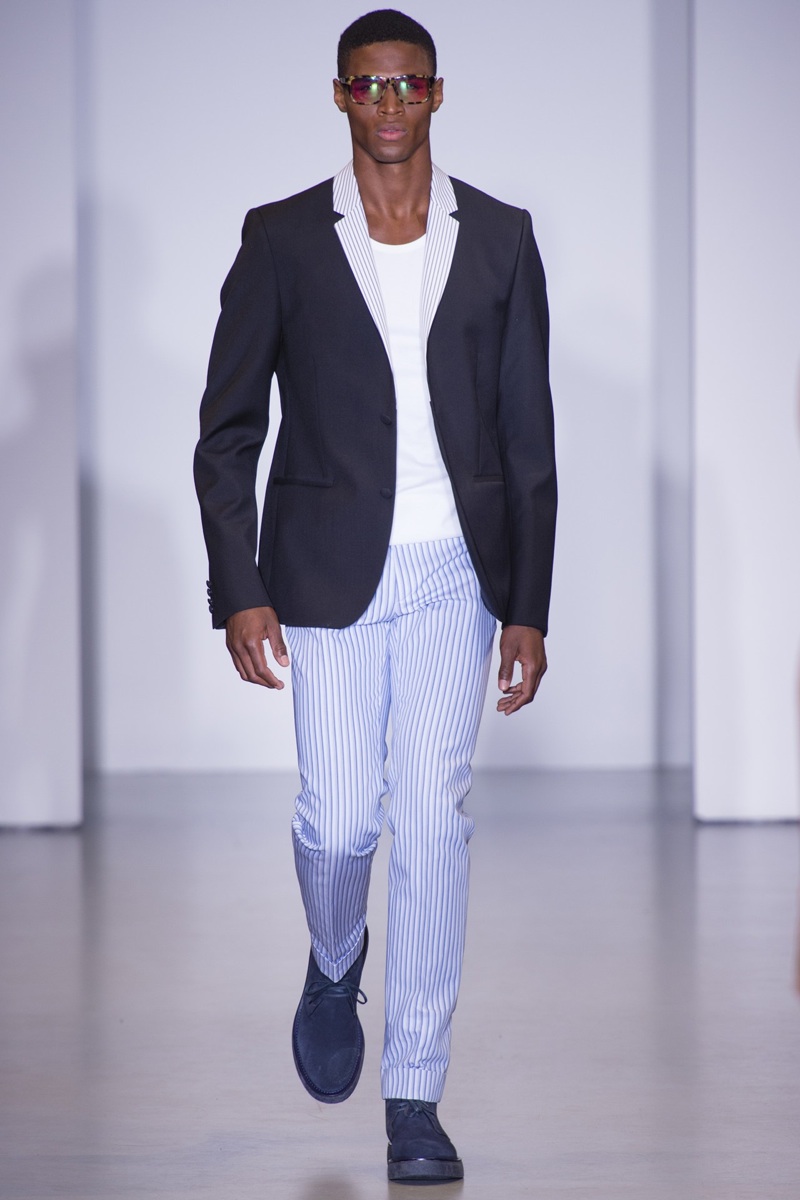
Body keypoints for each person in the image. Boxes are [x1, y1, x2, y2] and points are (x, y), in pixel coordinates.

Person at [194, 8, 556, 1185]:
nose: (389, 103)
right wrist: (239, 587)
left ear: (436, 94)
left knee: (435, 823)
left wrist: (527, 605)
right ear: (340, 96)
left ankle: (413, 1096)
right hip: (324, 571)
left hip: (457, 571)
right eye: (368, 85)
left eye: (408, 85)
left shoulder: (498, 237)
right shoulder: (282, 238)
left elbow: (527, 438)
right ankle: (335, 951)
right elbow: (227, 430)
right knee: (339, 821)